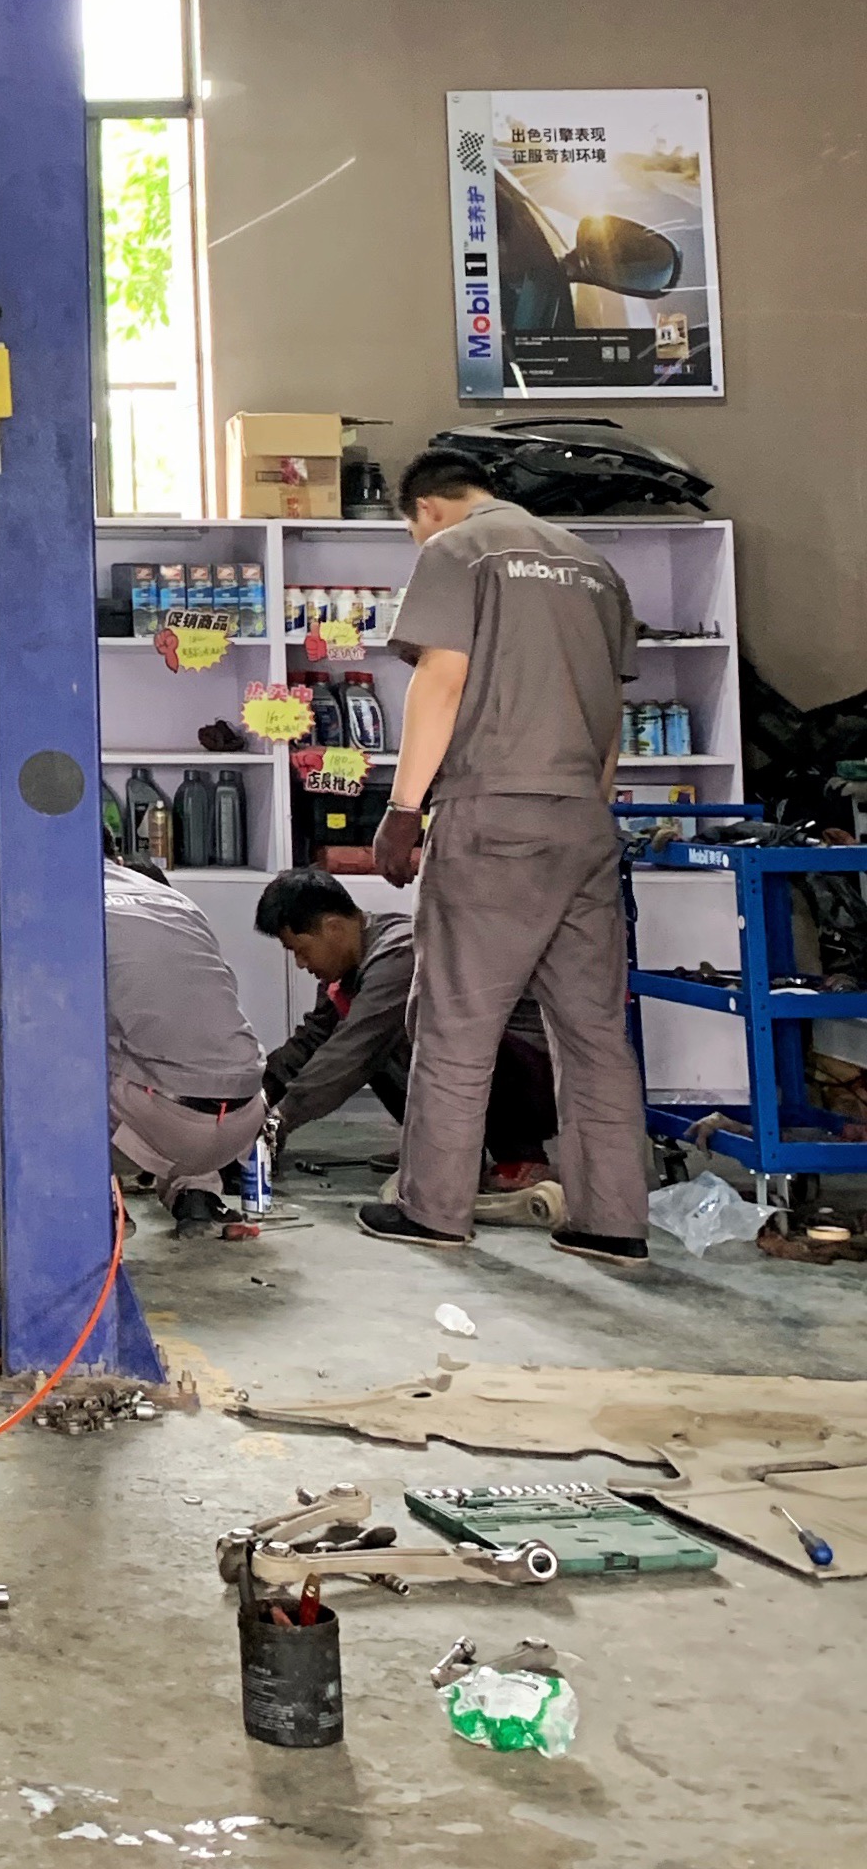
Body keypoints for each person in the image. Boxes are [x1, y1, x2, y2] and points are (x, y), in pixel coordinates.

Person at [359, 446, 648, 1262]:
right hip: (585, 822)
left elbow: (441, 680)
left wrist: (403, 809)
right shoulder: (594, 568)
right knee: (594, 1033)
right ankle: (612, 1221)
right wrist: (586, 809)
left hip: (492, 815)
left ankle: (434, 1209)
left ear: (427, 508)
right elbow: (608, 715)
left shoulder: (458, 550)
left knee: (455, 1018)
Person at [0, 857, 265, 1232]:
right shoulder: (176, 901)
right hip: (244, 1121)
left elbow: (41, 1029)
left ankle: (72, 1204)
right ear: (117, 861)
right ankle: (196, 1194)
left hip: (165, 1128)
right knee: (174, 1042)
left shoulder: (56, 906)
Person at [254, 865, 557, 1182]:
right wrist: (257, 1098)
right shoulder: (348, 974)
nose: (301, 964)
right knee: (365, 1038)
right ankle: (436, 1144)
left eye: (301, 950)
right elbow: (311, 1042)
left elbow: (353, 1052)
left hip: (530, 1070)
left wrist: (281, 1119)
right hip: (497, 1070)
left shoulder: (399, 953)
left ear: (332, 927)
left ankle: (520, 1156)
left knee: (368, 1045)